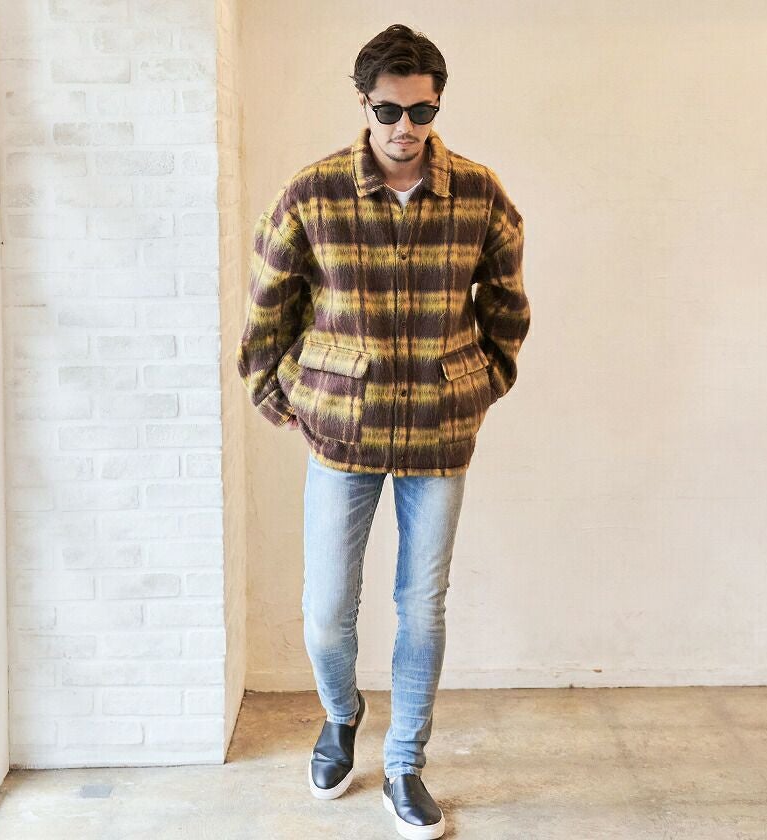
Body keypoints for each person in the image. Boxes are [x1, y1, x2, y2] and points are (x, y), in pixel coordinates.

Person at [237, 23, 530, 840]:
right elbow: (268, 309)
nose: (406, 127)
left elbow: (507, 305)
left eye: (423, 110)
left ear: (438, 104)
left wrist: (482, 383)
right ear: (364, 103)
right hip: (343, 432)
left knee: (421, 605)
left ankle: (405, 763)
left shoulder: (478, 193)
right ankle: (341, 717)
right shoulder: (314, 193)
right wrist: (283, 398)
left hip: (439, 432)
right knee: (327, 608)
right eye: (390, 109)